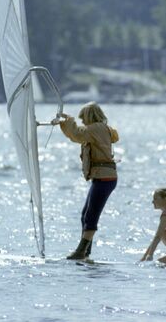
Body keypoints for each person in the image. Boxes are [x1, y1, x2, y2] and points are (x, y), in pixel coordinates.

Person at [59, 102, 119, 260]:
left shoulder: (96, 128)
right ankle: (86, 252)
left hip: (104, 178)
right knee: (85, 214)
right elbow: (76, 135)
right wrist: (64, 123)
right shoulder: (100, 128)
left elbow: (77, 134)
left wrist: (69, 120)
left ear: (89, 116)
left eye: (83, 118)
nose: (83, 122)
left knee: (90, 216)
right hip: (104, 177)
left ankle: (81, 251)